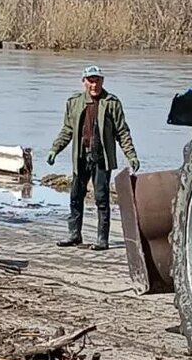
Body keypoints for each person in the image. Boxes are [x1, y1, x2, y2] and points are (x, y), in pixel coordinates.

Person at [46, 65, 140, 250]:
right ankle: (74, 235)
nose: (94, 84)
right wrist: (54, 149)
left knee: (101, 197)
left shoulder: (112, 102)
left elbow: (122, 132)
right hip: (81, 156)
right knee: (75, 196)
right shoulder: (74, 102)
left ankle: (102, 239)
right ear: (84, 82)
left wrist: (131, 156)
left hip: (101, 157)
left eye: (97, 80)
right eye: (90, 80)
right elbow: (67, 130)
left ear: (102, 81)